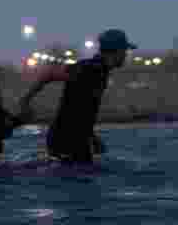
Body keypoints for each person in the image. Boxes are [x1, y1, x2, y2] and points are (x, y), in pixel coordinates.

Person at [18, 28, 137, 164]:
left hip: (74, 137)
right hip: (67, 139)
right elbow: (49, 74)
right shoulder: (89, 69)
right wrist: (25, 100)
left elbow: (81, 108)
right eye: (125, 51)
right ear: (116, 51)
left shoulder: (100, 70)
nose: (126, 55)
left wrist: (91, 137)